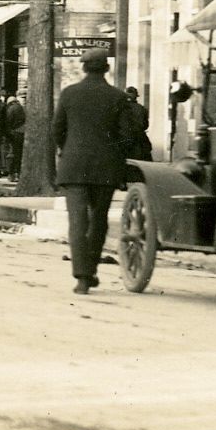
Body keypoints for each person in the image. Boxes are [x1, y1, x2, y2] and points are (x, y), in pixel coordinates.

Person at [53, 48, 128, 295]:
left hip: (73, 166)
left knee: (77, 221)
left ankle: (82, 277)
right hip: (105, 168)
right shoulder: (117, 97)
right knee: (99, 220)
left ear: (84, 68)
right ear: (106, 68)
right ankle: (91, 270)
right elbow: (126, 135)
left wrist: (68, 149)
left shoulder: (69, 93)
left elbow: (57, 129)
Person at [122, 86, 153, 161]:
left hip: (124, 139)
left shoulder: (120, 108)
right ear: (136, 97)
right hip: (139, 141)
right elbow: (145, 125)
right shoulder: (142, 108)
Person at [0, 91, 26, 178]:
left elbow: (8, 122)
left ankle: (12, 173)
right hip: (22, 133)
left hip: (15, 134)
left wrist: (7, 133)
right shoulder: (22, 108)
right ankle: (18, 172)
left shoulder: (11, 109)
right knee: (20, 154)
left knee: (13, 154)